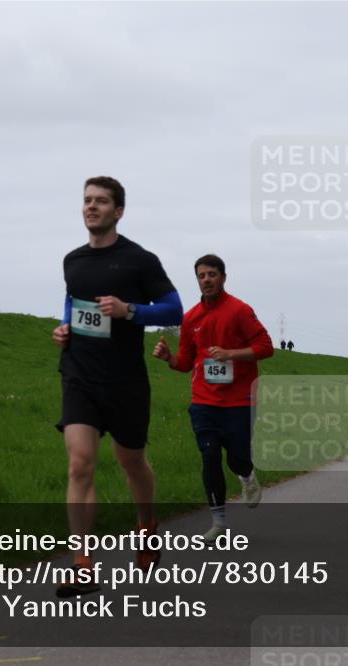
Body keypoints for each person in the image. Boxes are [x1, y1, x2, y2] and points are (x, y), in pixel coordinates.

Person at [52, 176, 183, 596]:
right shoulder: (72, 260)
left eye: (101, 201)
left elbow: (175, 309)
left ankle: (147, 524)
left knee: (132, 464)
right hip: (79, 373)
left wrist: (131, 310)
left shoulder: (140, 261)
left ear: (119, 211)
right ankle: (82, 563)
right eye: (87, 200)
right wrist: (65, 328)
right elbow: (74, 304)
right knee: (79, 463)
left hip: (124, 380)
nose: (92, 207)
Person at [153, 254, 274, 542]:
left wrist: (232, 354)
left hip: (239, 401)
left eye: (212, 274)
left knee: (237, 458)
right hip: (204, 402)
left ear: (223, 277)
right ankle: (218, 521)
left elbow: (266, 347)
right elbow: (184, 364)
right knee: (209, 456)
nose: (206, 279)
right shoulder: (191, 318)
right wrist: (168, 357)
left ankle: (246, 475)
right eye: (201, 275)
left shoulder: (239, 310)